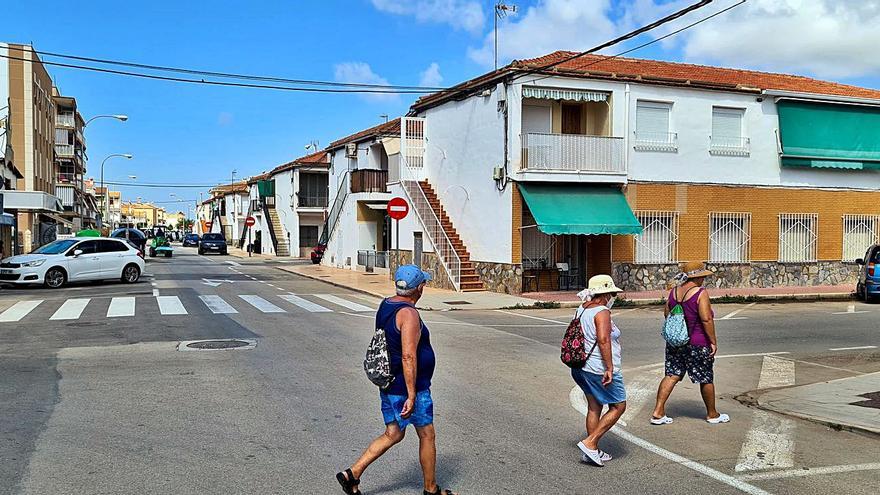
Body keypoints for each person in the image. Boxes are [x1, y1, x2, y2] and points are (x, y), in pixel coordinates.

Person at [336, 265, 457, 495]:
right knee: (426, 434)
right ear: (419, 288)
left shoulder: (386, 304)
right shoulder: (409, 314)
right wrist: (411, 394)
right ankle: (431, 490)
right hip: (408, 387)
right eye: (423, 284)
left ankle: (352, 474)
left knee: (393, 433)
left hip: (390, 384)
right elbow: (408, 356)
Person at [650, 261, 729, 425]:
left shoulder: (674, 292)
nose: (703, 280)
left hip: (675, 342)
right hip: (697, 342)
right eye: (702, 276)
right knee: (705, 377)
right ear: (698, 277)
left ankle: (658, 411)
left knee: (671, 374)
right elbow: (706, 318)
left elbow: (667, 314)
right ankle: (712, 414)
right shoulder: (700, 293)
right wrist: (712, 341)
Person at [570, 274, 627, 467]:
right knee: (619, 406)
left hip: (580, 367)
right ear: (604, 294)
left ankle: (592, 451)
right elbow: (603, 340)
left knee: (594, 407)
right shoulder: (602, 311)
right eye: (611, 293)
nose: (612, 297)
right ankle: (590, 442)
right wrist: (609, 368)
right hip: (597, 368)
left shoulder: (582, 308)